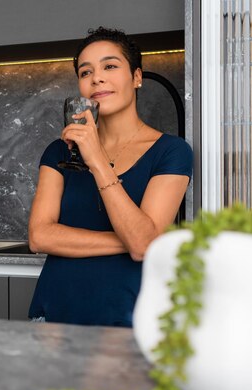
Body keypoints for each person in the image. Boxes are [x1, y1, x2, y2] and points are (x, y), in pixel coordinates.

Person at [27, 27, 193, 327]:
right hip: (52, 315)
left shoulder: (172, 152)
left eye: (110, 66)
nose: (96, 78)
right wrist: (134, 241)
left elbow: (142, 245)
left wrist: (98, 160)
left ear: (137, 77)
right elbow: (39, 237)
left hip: (126, 319)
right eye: (85, 72)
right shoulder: (59, 151)